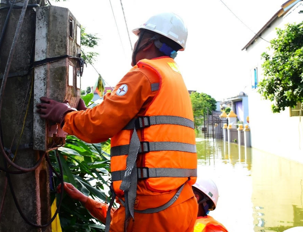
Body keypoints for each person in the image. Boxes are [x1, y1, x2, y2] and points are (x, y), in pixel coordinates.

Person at [37, 12, 198, 232]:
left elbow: (98, 126)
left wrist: (63, 114)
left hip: (150, 208)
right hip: (181, 202)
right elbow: (141, 128)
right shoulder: (173, 78)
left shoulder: (145, 73)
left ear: (147, 42)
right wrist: (83, 115)